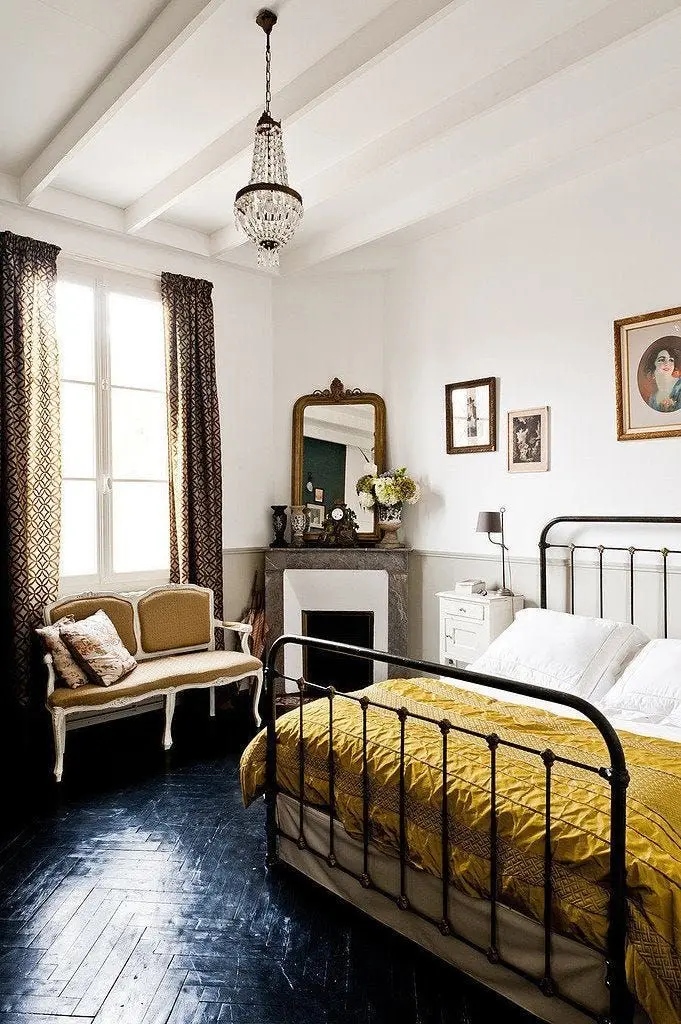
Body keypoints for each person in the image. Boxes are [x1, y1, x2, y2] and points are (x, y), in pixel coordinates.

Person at [641, 339, 681, 412]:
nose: (667, 363)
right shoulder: (652, 399)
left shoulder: (679, 387)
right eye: (662, 360)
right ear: (653, 364)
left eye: (671, 360)